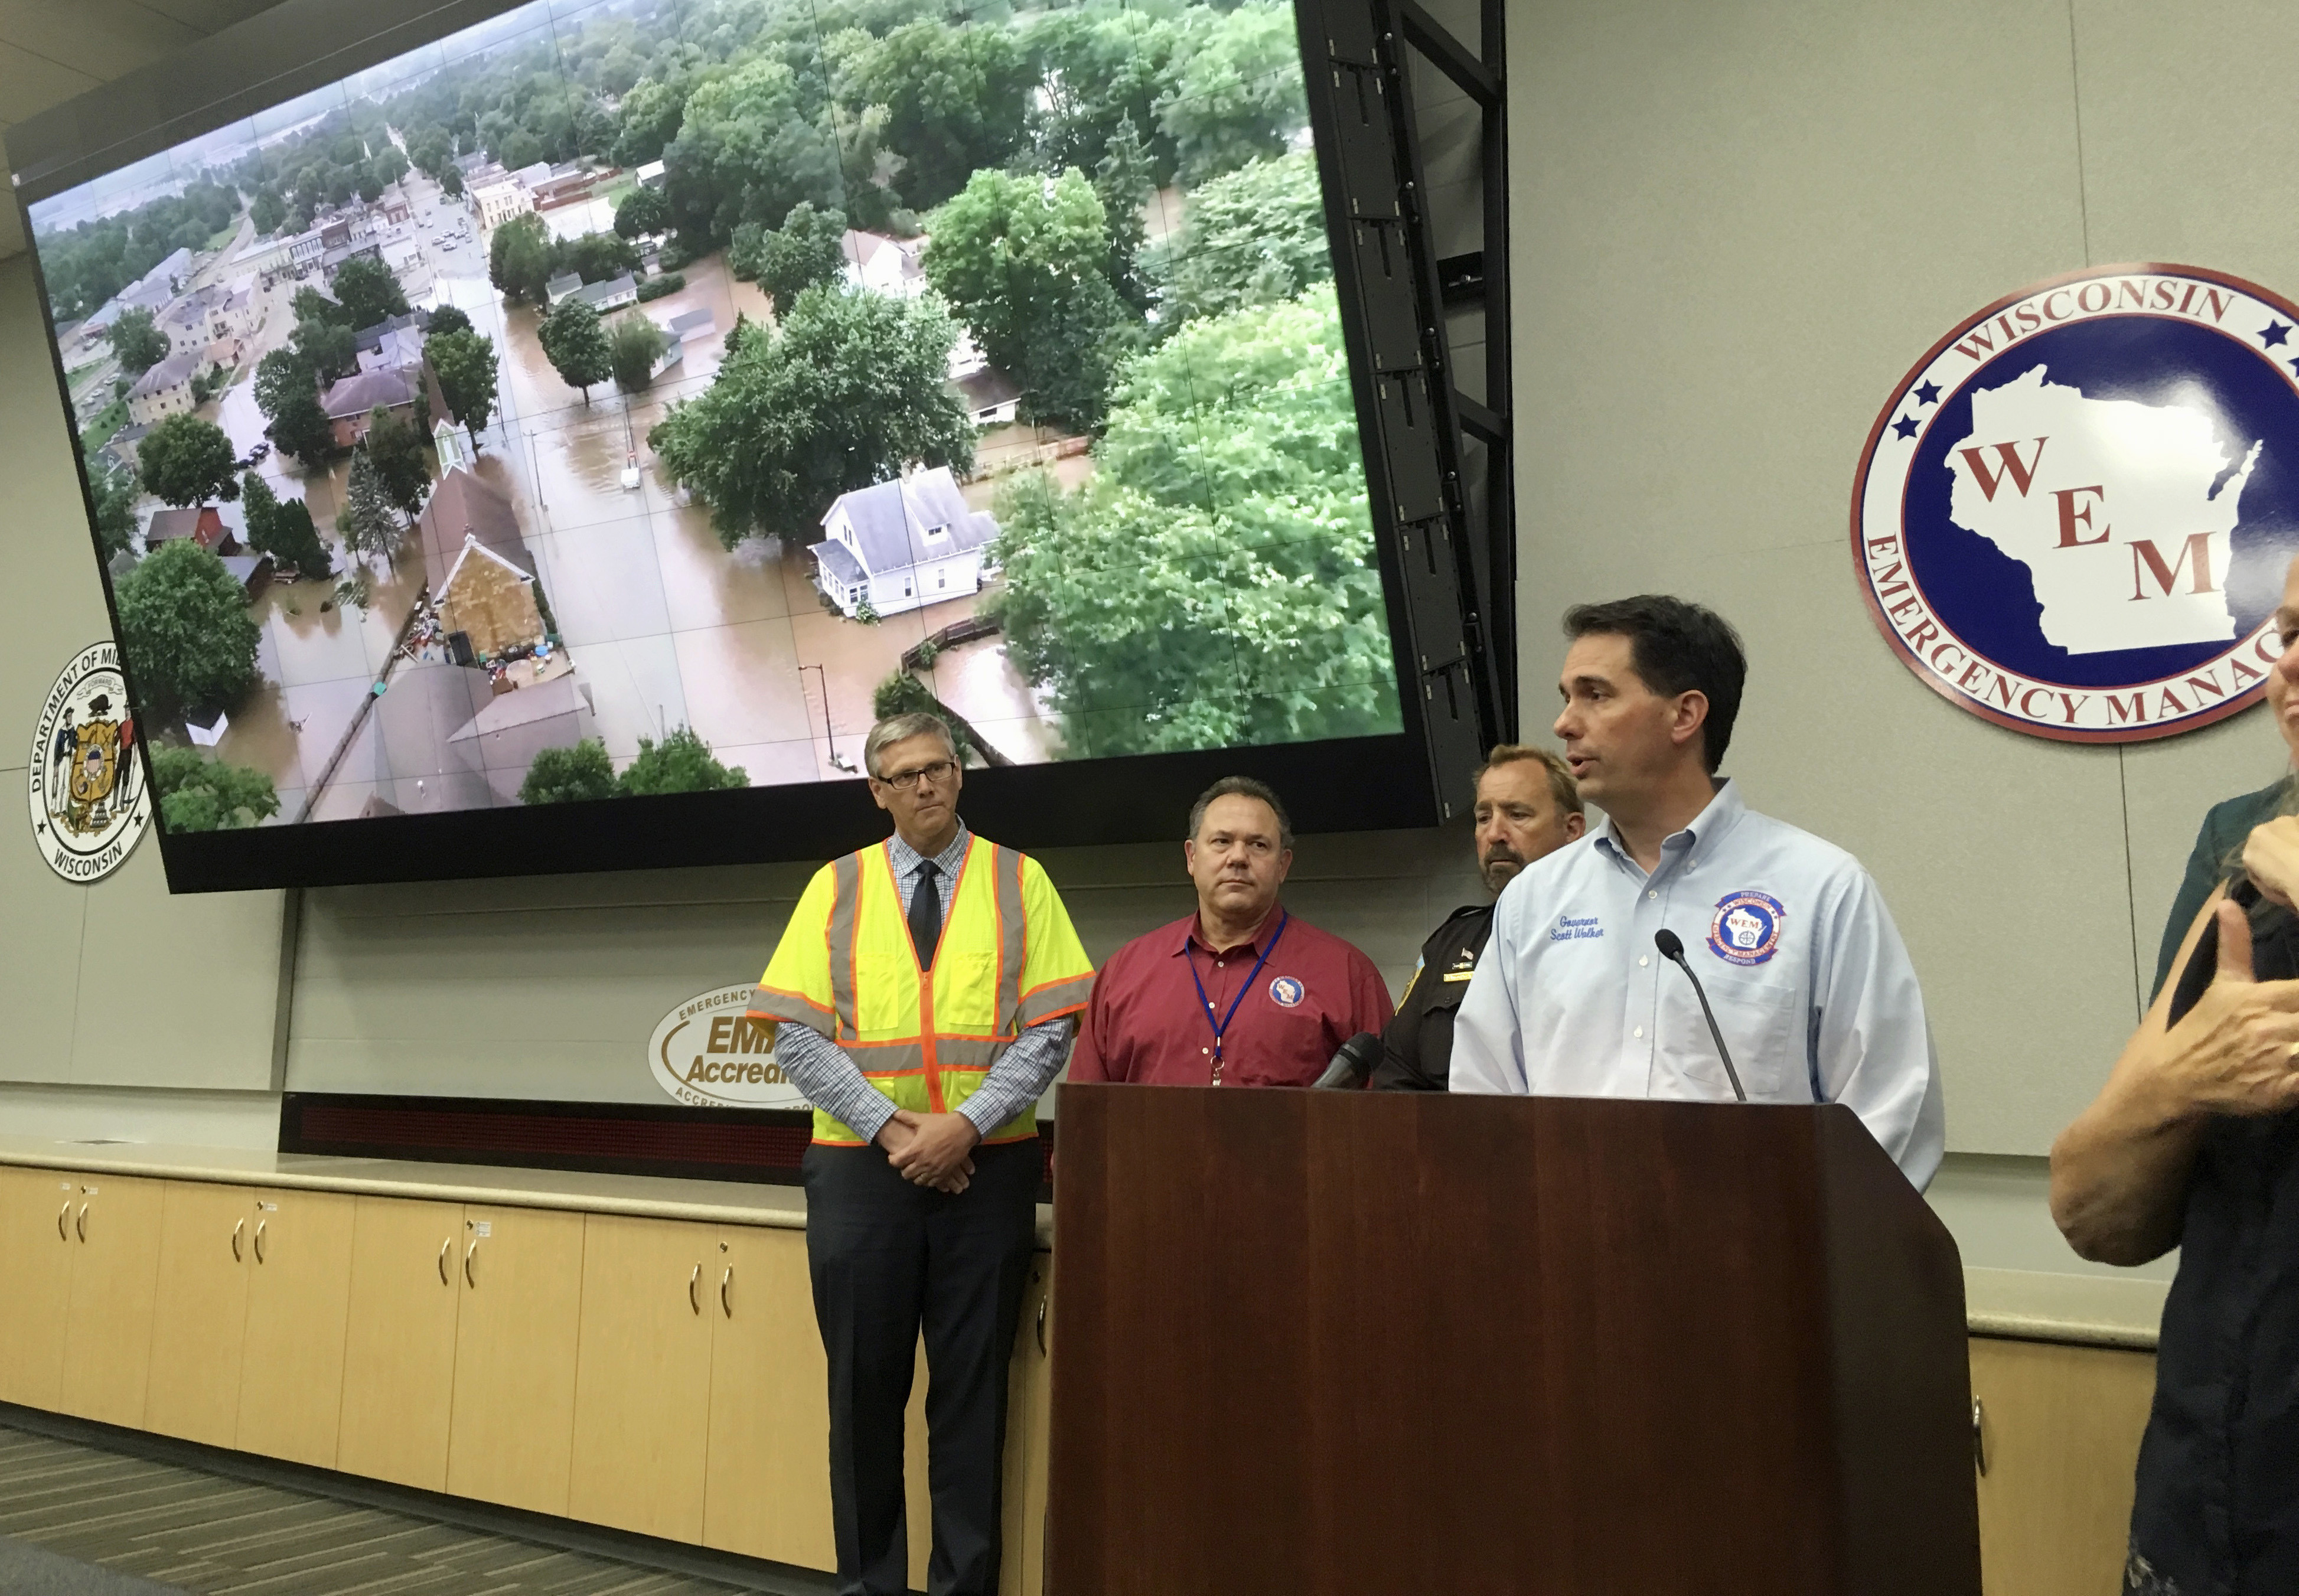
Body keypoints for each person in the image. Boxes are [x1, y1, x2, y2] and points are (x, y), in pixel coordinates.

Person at [744, 712, 1096, 1596]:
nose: (924, 785)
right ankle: (871, 1584)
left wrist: (965, 1123)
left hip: (988, 1171)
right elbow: (797, 1038)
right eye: (902, 775)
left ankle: (963, 1584)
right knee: (863, 1399)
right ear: (877, 791)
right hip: (864, 1173)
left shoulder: (1021, 879)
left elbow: (1051, 1028)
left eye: (937, 767)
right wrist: (898, 1129)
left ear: (960, 773)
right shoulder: (836, 885)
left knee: (971, 1400)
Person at [1448, 595, 1945, 1187]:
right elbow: (1483, 1098)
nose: (1563, 723)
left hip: (1759, 1261)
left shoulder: (1819, 889)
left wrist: (1809, 1245)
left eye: (1595, 694)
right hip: (1566, 1257)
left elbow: (1889, 1108)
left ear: (1683, 716)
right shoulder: (1534, 899)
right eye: (1565, 698)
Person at [2051, 562, 2299, 1594]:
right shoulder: (2241, 853)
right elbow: (2093, 1211)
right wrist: (2171, 1089)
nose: (2287, 669)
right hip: (2217, 1494)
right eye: (2286, 632)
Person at [1069, 775, 1395, 1086]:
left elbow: (1387, 1117)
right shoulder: (1125, 971)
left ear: (1283, 866)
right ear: (1192, 857)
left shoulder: (1348, 975)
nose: (1238, 857)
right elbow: (1083, 1117)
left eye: (1258, 845)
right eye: (1222, 841)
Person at [1369, 745, 1584, 1091]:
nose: (1495, 834)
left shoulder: (1605, 932)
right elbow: (1397, 1074)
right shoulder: (1453, 943)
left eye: (1517, 815)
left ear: (1572, 830)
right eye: (1484, 817)